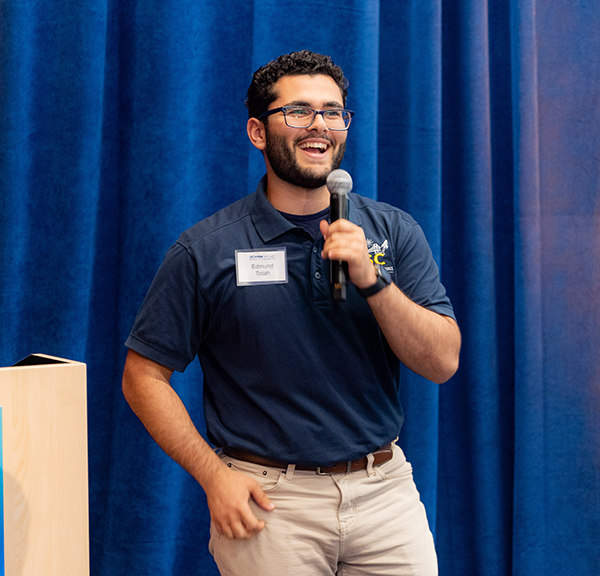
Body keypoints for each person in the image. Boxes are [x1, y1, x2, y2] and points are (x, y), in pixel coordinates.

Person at [122, 50, 461, 576]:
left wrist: (373, 281)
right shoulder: (206, 250)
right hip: (271, 504)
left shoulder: (393, 232)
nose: (319, 126)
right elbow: (143, 376)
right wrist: (214, 477)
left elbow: (441, 361)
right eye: (299, 111)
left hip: (383, 492)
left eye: (333, 112)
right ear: (259, 132)